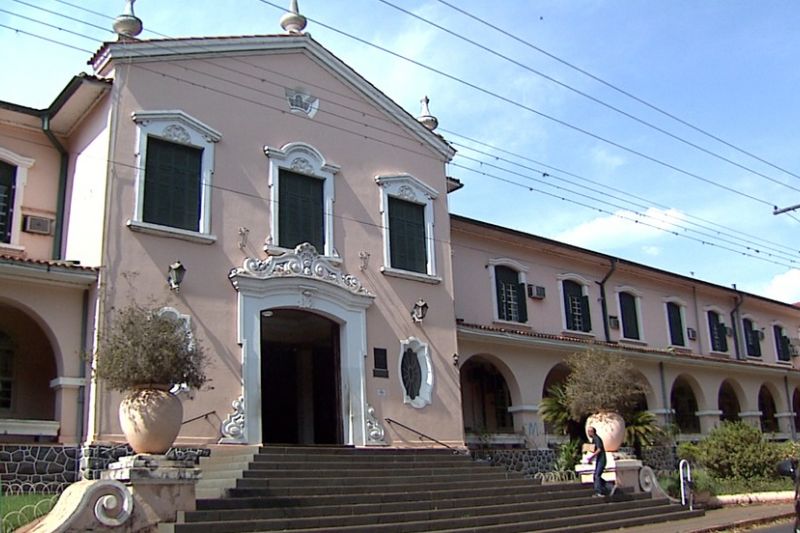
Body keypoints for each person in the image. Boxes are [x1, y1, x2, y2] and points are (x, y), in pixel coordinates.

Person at [586, 426, 615, 497]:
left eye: (589, 431)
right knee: (596, 476)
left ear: (592, 432)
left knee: (597, 476)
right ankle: (610, 486)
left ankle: (599, 492)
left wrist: (591, 457)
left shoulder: (596, 438)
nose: (588, 433)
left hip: (602, 460)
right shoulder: (594, 439)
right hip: (599, 460)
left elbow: (599, 450)